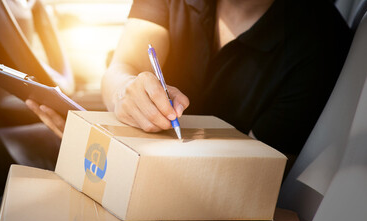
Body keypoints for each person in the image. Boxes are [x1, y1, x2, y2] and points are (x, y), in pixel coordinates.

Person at [29, 0, 351, 159]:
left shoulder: (320, 41)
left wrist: (104, 150)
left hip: (190, 196)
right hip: (128, 153)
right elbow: (122, 66)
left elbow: (247, 173)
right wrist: (124, 94)